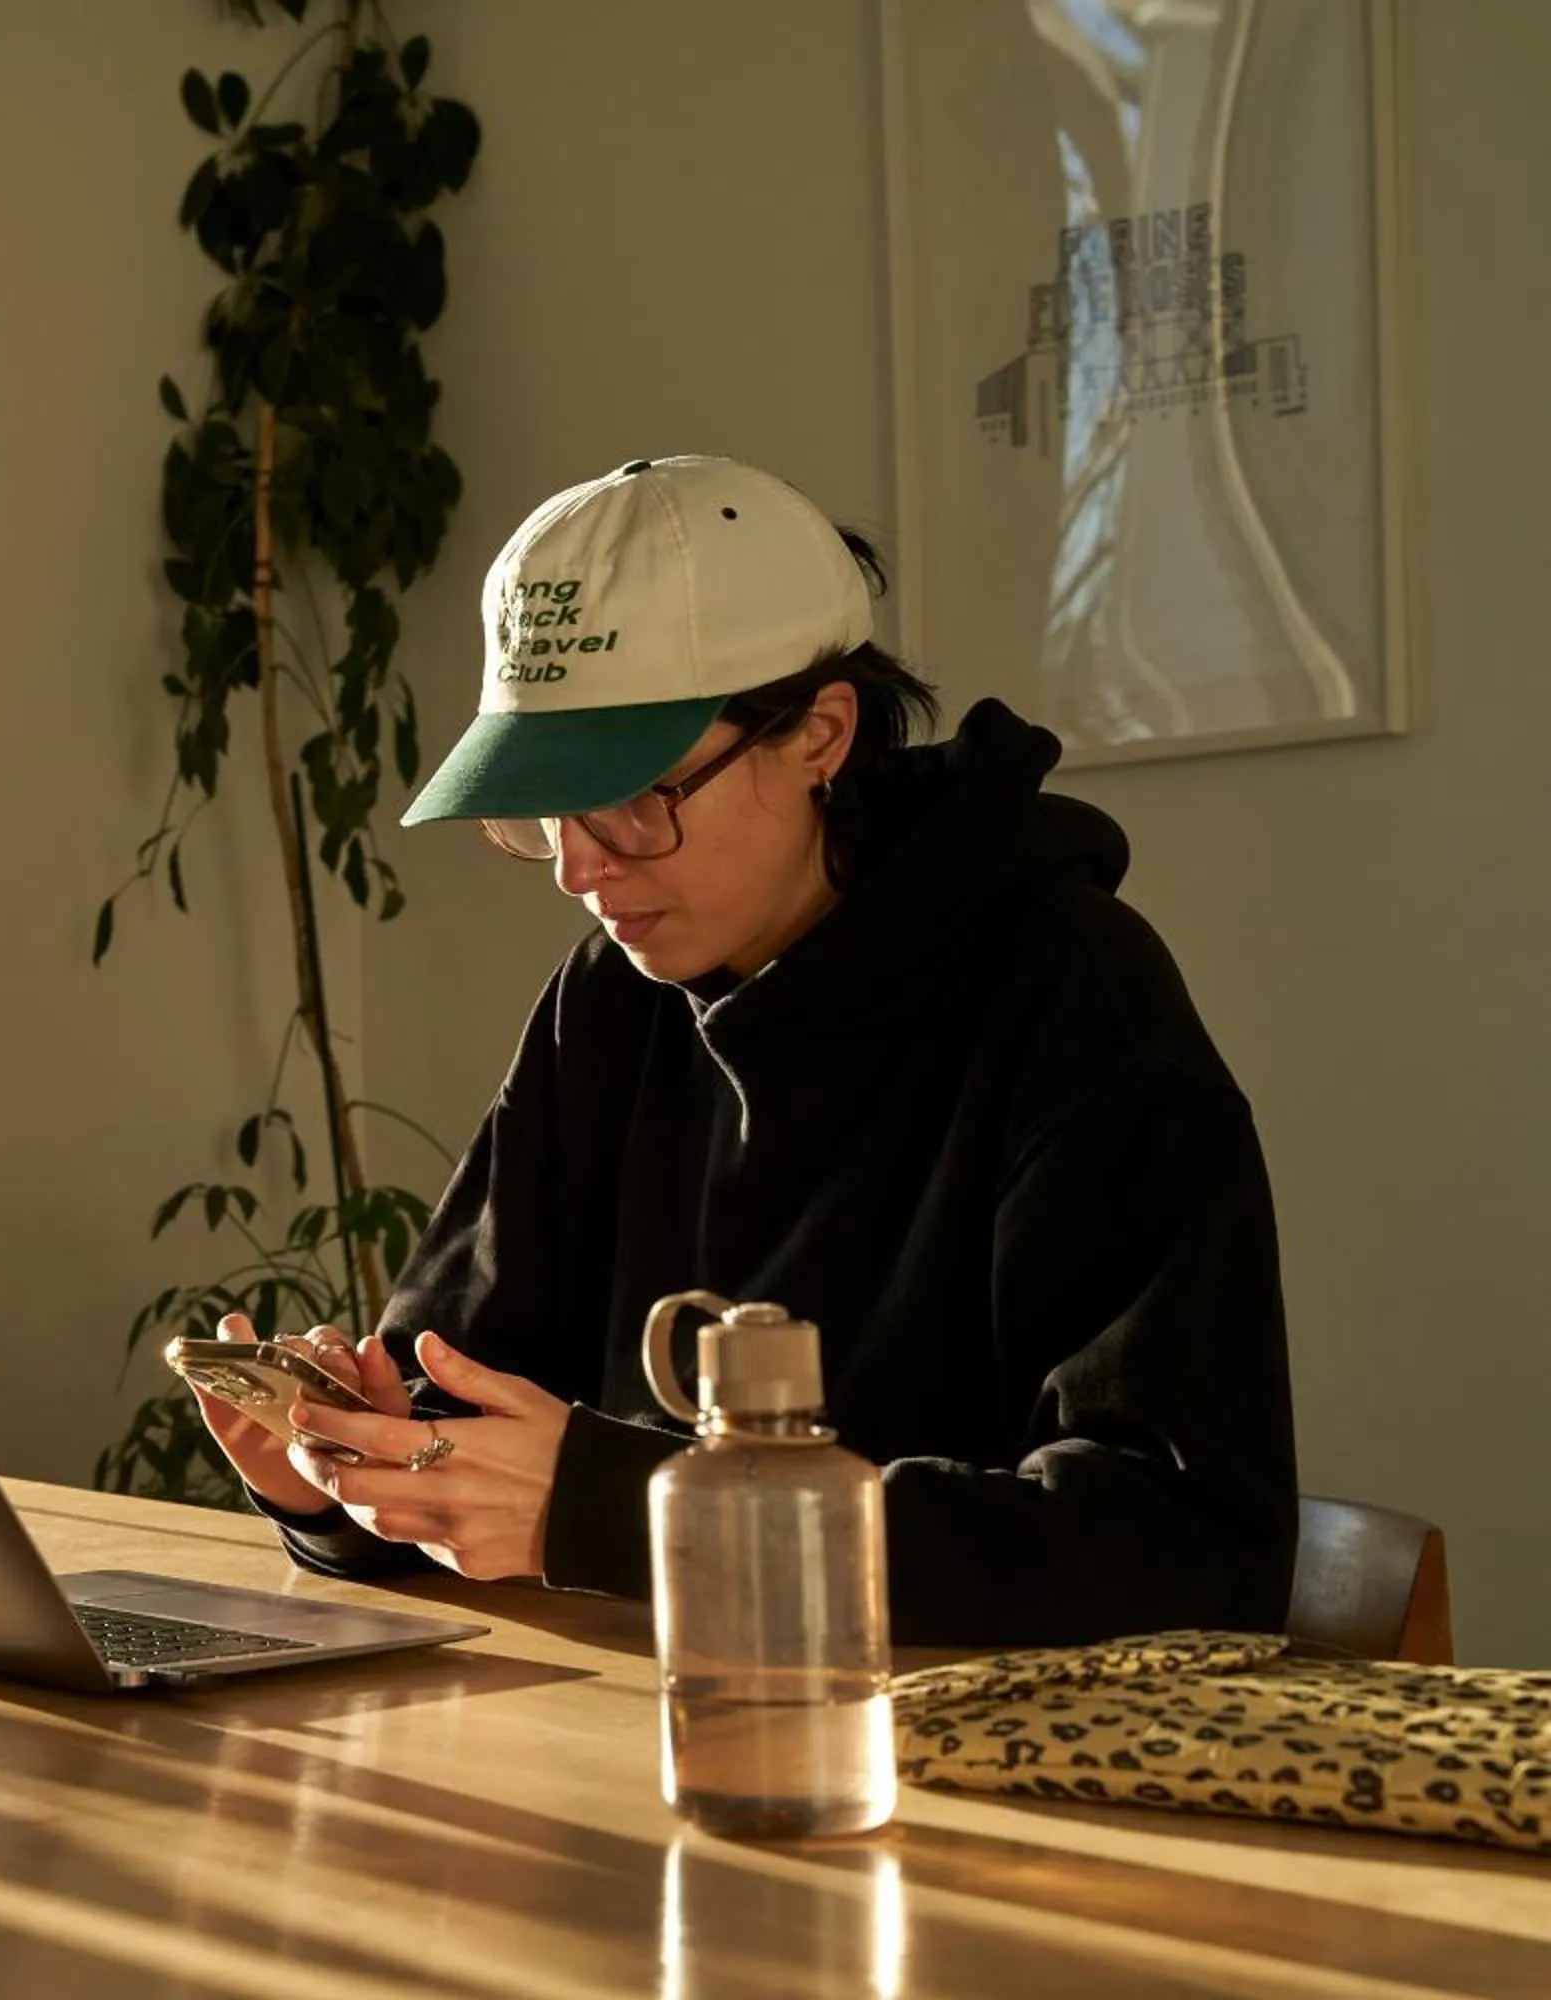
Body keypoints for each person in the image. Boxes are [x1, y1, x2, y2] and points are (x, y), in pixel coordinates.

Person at [188, 455, 1296, 1647]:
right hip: (637, 1726)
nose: (579, 867)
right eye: (544, 808)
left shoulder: (1071, 996)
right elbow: (464, 1402)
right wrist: (343, 1479)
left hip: (948, 1765)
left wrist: (633, 1509)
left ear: (822, 732)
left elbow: (1182, 1548)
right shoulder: (612, 997)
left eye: (629, 796)